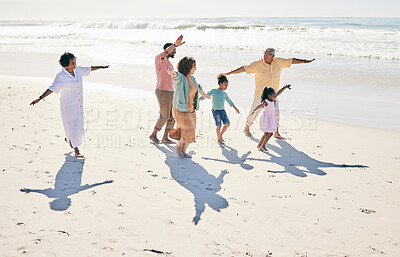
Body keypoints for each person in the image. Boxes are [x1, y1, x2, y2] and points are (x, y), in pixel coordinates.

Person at [30, 52, 109, 157]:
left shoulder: (78, 70)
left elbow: (89, 68)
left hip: (78, 104)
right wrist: (40, 98)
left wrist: (102, 67)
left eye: (75, 61)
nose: (75, 64)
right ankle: (76, 149)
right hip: (68, 106)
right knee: (71, 126)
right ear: (65, 65)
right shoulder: (61, 76)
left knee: (78, 125)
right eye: (72, 62)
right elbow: (52, 88)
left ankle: (69, 140)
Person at [225, 48, 315, 139]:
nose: (265, 56)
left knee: (276, 113)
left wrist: (305, 61)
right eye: (264, 54)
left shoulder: (279, 62)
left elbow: (291, 61)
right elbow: (244, 68)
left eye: (267, 55)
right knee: (254, 111)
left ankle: (276, 132)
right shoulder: (257, 64)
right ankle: (247, 128)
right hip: (260, 94)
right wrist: (229, 73)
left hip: (273, 95)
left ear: (273, 56)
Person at [166, 57, 210, 158]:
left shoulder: (192, 78)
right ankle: (178, 147)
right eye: (194, 66)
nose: (195, 68)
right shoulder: (181, 78)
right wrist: (173, 73)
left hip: (191, 110)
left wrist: (205, 95)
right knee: (188, 130)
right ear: (188, 67)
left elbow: (198, 87)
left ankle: (183, 151)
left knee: (191, 131)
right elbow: (176, 76)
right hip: (180, 111)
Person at [149, 35, 185, 144]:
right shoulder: (160, 59)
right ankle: (153, 135)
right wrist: (174, 45)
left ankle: (165, 137)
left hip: (170, 91)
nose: (175, 52)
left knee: (172, 116)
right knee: (164, 115)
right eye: (173, 50)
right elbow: (165, 53)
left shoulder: (169, 64)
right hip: (162, 91)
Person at [200, 74, 240, 144]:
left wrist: (235, 108)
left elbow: (229, 101)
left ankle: (220, 136)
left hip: (222, 110)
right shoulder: (214, 91)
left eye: (227, 85)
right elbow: (206, 95)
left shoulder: (224, 94)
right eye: (225, 85)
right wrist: (198, 99)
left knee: (227, 124)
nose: (226, 87)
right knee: (219, 125)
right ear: (220, 84)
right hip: (215, 111)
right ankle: (219, 139)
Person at [250, 84, 291, 152]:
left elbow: (279, 92)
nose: (275, 96)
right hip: (267, 119)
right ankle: (263, 146)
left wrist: (285, 87)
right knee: (270, 133)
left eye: (275, 95)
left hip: (270, 118)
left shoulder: (272, 99)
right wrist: (254, 110)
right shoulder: (266, 101)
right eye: (274, 95)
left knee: (266, 133)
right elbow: (260, 105)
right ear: (269, 96)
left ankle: (259, 145)